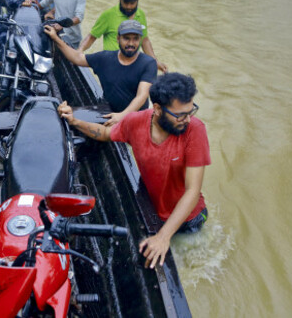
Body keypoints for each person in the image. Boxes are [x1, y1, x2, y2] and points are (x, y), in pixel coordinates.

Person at [57, 73, 210, 269]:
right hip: (156, 212)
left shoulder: (195, 130)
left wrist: (163, 237)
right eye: (180, 115)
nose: (188, 119)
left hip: (189, 219)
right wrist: (74, 121)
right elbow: (104, 133)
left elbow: (193, 190)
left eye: (191, 111)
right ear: (157, 109)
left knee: (189, 265)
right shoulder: (135, 122)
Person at [44, 19, 156, 126]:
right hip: (109, 112)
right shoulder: (105, 58)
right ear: (118, 39)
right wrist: (55, 38)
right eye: (126, 38)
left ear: (140, 40)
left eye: (135, 39)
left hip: (135, 118)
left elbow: (142, 96)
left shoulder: (148, 63)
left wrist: (122, 115)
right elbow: (77, 58)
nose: (131, 43)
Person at [78, 0, 167, 73]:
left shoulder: (141, 15)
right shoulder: (108, 15)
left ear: (138, 0)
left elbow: (144, 40)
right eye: (125, 3)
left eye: (132, 3)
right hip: (112, 65)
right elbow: (92, 36)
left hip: (133, 64)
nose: (128, 7)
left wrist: (155, 61)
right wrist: (80, 51)